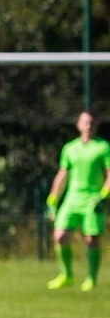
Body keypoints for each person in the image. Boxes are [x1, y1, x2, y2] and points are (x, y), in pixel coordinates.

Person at [47, 110, 110, 291]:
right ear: (78, 125)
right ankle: (66, 275)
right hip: (72, 199)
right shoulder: (70, 148)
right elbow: (62, 174)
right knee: (60, 236)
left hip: (92, 200)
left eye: (92, 123)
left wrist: (104, 195)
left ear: (96, 125)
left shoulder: (103, 147)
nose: (88, 126)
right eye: (85, 122)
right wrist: (53, 197)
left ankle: (91, 278)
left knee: (92, 240)